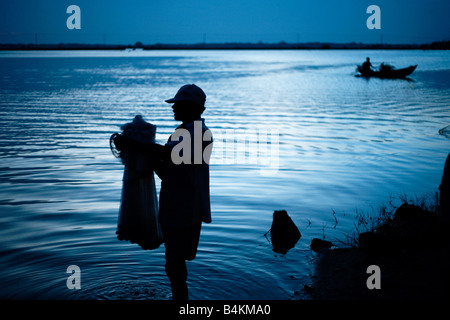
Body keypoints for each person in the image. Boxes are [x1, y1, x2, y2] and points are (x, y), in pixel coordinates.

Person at [114, 84, 213, 300]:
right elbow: (169, 170)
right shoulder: (187, 133)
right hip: (178, 206)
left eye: (177, 104)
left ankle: (180, 300)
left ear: (192, 107)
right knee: (174, 260)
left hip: (184, 208)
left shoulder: (197, 133)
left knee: (174, 262)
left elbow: (164, 154)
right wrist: (139, 155)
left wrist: (132, 143)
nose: (173, 108)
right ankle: (180, 298)